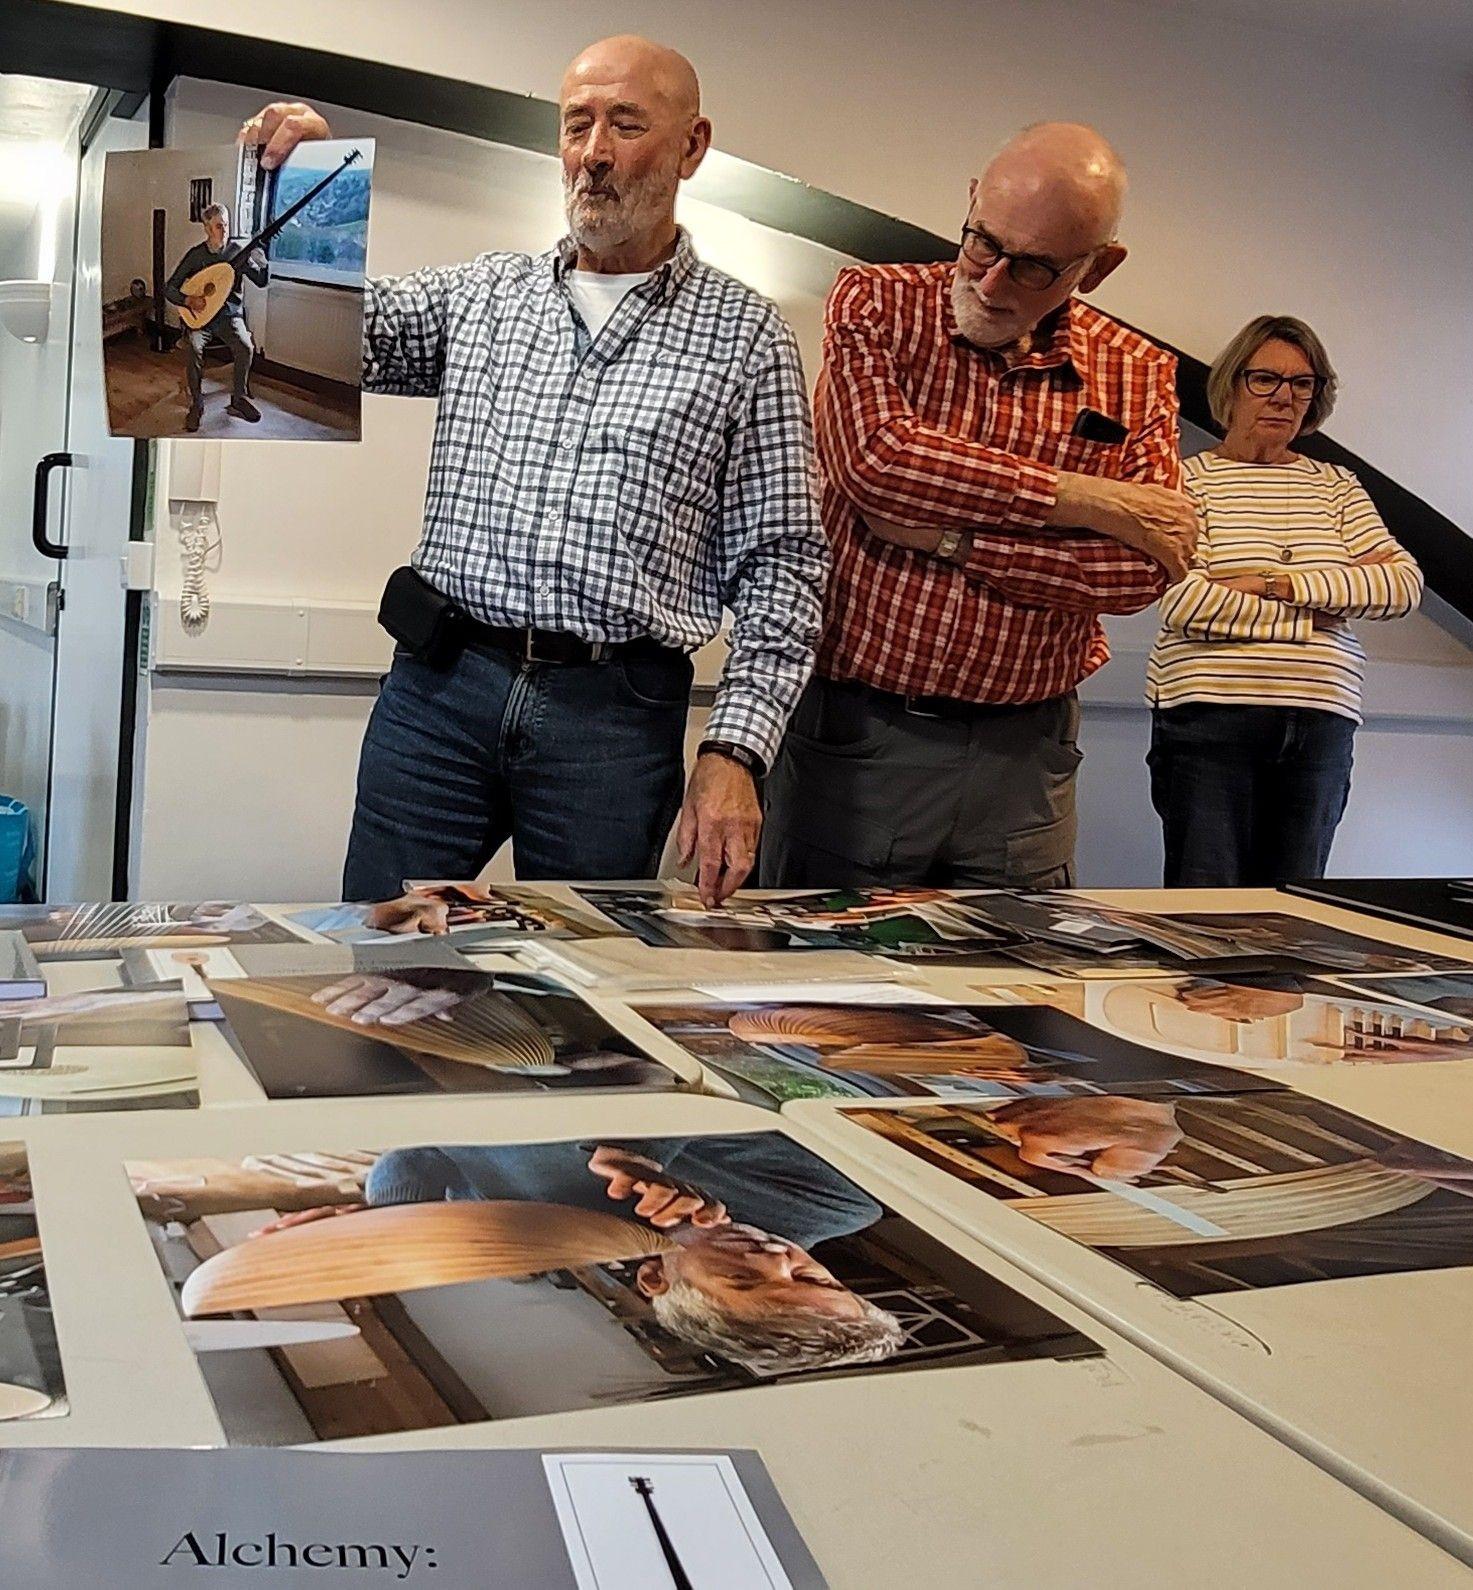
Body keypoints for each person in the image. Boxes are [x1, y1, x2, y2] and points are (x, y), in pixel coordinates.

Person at [240, 36, 826, 910]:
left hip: (612, 721)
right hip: (442, 693)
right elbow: (323, 335)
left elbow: (783, 563)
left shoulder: (746, 337)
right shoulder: (484, 295)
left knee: (589, 965)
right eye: (576, 125)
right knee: (383, 943)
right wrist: (300, 183)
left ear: (692, 146)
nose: (594, 153)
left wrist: (734, 749)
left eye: (626, 125)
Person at [761, 122, 1197, 891]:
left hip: (1025, 758)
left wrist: (951, 541)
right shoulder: (877, 302)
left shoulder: (1136, 370)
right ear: (970, 201)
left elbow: (1141, 570)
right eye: (982, 243)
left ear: (1097, 268)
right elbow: (878, 463)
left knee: (1019, 964)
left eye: (1033, 267)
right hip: (858, 738)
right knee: (823, 962)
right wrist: (1087, 498)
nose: (992, 283)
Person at [1146, 315, 1423, 886]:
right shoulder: (1181, 482)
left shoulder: (1337, 486)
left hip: (1321, 723)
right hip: (1210, 718)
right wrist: (1319, 615)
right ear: (1232, 383)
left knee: (1295, 910)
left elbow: (1401, 585)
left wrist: (1272, 583)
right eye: (1265, 379)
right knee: (1207, 909)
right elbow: (1183, 601)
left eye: (1302, 383)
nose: (1284, 397)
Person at [268, 1137, 903, 1374]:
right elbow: (723, 1075)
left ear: (654, 1279)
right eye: (812, 1275)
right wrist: (642, 1148)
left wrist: (395, 1215)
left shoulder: (530, 1235)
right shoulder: (839, 1204)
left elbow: (420, 1153)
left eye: (742, 1278)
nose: (773, 1256)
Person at [163, 203, 267, 431]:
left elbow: (261, 281)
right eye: (219, 226)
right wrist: (189, 301)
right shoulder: (196, 255)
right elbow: (169, 288)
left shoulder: (238, 252)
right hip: (202, 318)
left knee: (245, 347)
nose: (224, 230)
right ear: (207, 229)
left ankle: (238, 399)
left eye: (226, 225)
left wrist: (262, 261)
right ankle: (197, 404)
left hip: (229, 316)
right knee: (193, 347)